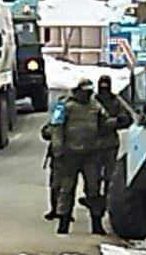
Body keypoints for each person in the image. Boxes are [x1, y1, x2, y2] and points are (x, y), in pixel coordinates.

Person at [41, 78, 110, 235]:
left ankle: (96, 223)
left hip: (91, 154)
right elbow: (55, 128)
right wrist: (58, 149)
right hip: (69, 154)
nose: (87, 95)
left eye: (89, 92)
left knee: (93, 190)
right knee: (66, 188)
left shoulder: (95, 106)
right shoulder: (64, 106)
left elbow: (104, 124)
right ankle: (63, 222)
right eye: (84, 92)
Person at [93, 74, 136, 209]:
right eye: (102, 84)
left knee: (110, 175)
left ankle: (107, 199)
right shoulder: (93, 101)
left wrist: (121, 121)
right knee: (94, 175)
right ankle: (94, 199)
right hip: (94, 142)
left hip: (110, 142)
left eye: (106, 84)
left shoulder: (116, 100)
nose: (104, 88)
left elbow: (127, 117)